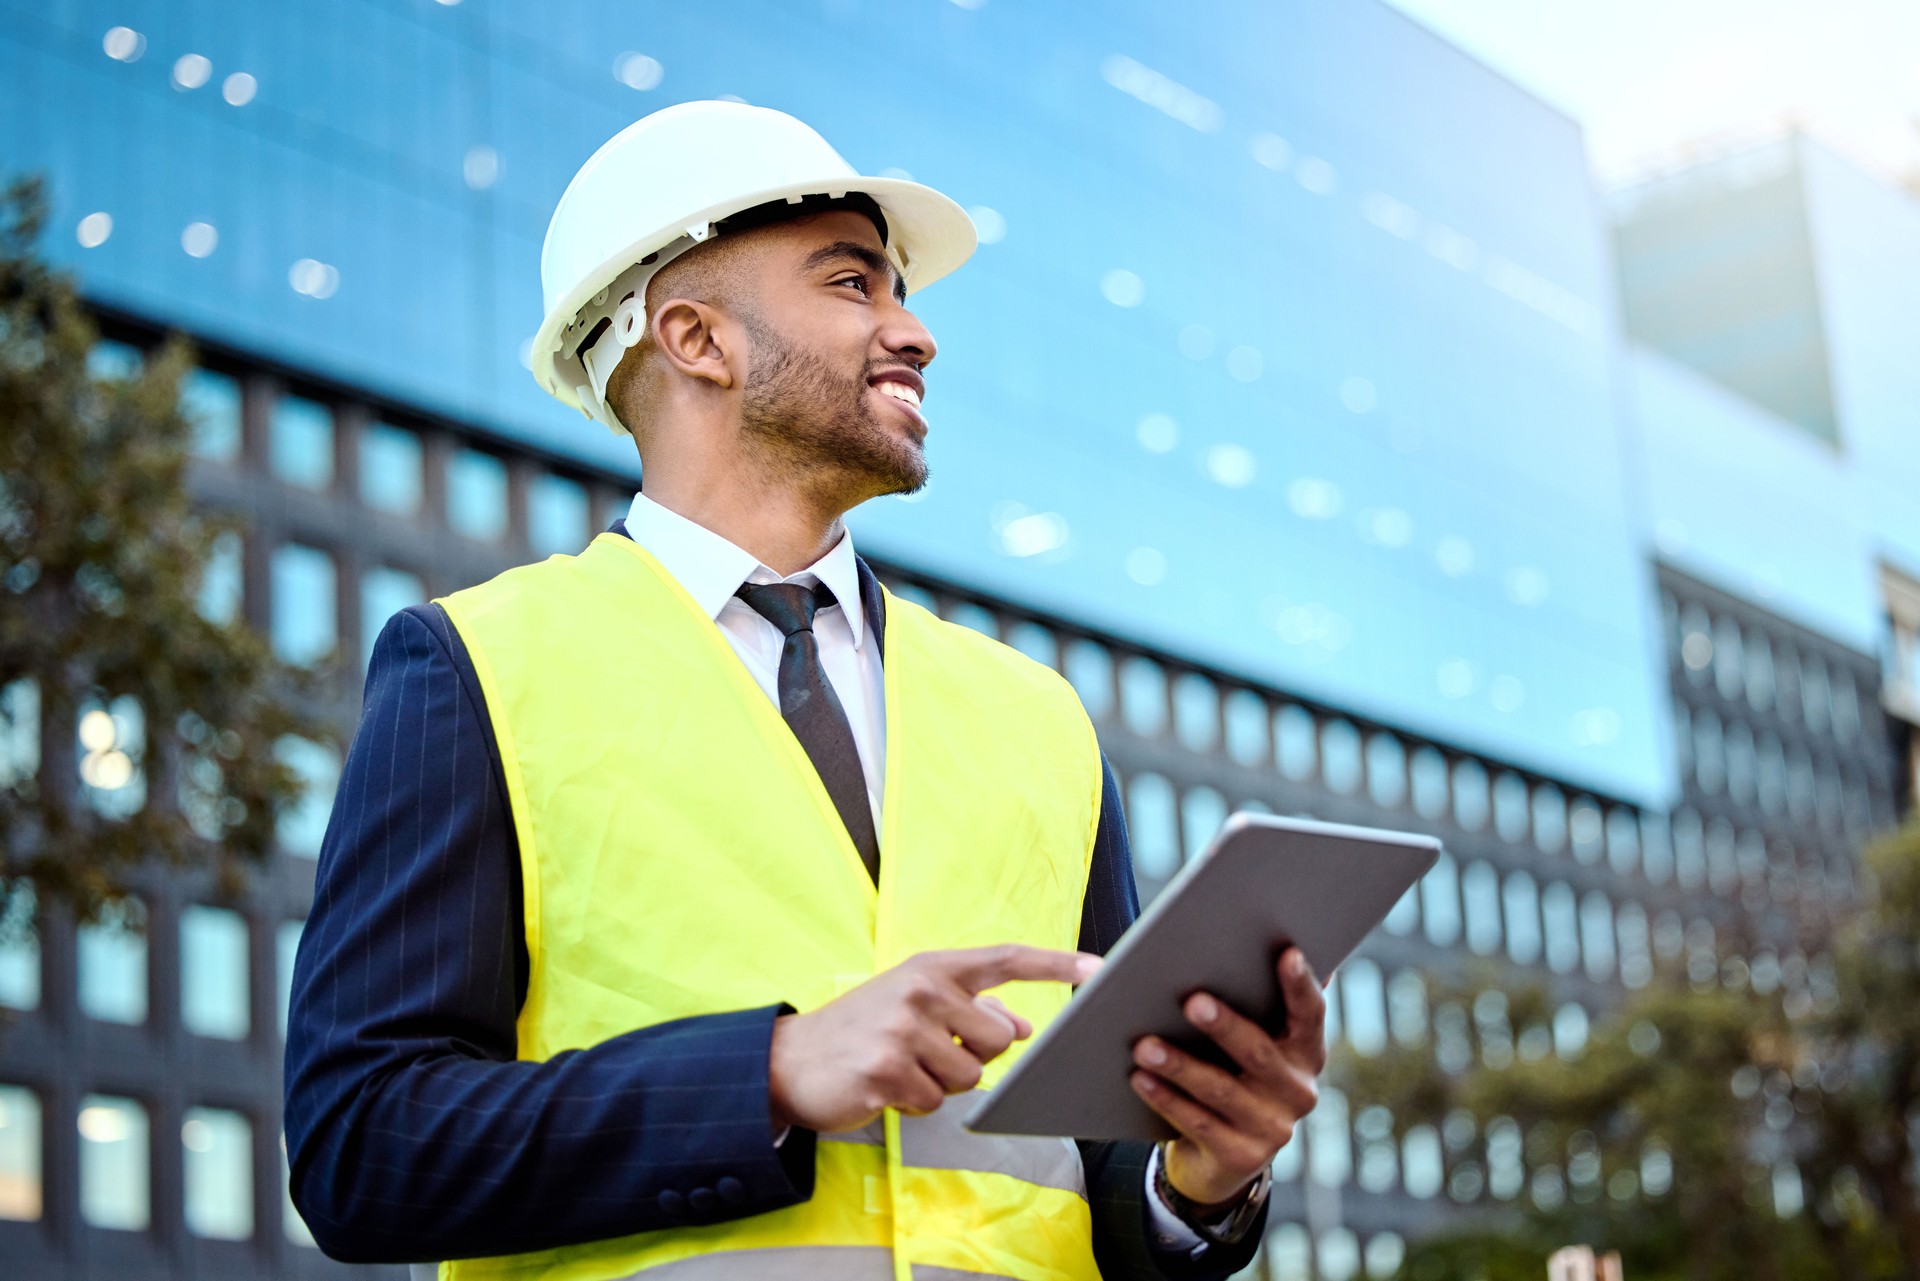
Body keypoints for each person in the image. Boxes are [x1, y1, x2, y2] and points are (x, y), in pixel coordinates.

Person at [284, 102, 1328, 1281]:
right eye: (854, 285)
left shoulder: (1035, 718)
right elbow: (358, 1149)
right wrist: (770, 1074)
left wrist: (1203, 1181)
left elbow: (1099, 1189)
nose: (915, 333)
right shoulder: (476, 669)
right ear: (695, 339)